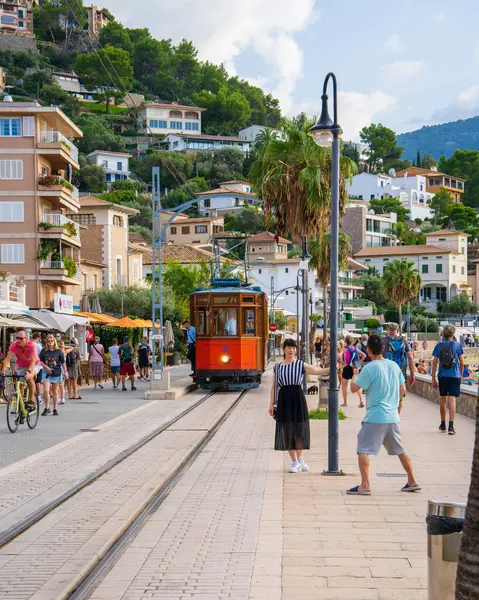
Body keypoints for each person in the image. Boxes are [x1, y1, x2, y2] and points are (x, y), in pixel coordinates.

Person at [346, 334, 421, 495]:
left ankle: (365, 485)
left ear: (368, 350)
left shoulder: (370, 368)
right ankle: (412, 480)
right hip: (392, 416)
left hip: (375, 416)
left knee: (363, 449)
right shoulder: (394, 366)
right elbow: (403, 389)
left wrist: (354, 374)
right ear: (383, 349)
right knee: (401, 450)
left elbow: (353, 389)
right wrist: (397, 404)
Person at [269, 338, 329, 473]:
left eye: (294, 348)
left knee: (299, 429)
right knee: (287, 429)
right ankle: (294, 461)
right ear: (284, 349)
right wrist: (271, 404)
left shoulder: (300, 364)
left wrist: (330, 369)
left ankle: (300, 459)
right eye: (289, 348)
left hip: (297, 397)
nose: (292, 350)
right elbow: (274, 387)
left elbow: (316, 371)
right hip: (284, 399)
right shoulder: (277, 367)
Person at [431, 324, 464, 436]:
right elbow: (462, 362)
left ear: (443, 334)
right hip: (454, 375)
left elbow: (434, 363)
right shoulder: (457, 345)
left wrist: (433, 378)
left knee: (442, 399)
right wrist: (460, 376)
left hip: (442, 375)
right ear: (453, 334)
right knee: (452, 399)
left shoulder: (438, 346)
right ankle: (451, 426)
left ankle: (442, 424)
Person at [2, 329, 41, 409]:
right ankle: (21, 404)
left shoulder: (31, 345)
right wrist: (3, 370)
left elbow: (33, 360)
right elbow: (8, 358)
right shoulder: (14, 345)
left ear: (26, 339)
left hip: (34, 364)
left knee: (29, 378)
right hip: (21, 365)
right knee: (20, 385)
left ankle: (32, 399)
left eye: (21, 338)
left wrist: (29, 371)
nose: (18, 340)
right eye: (17, 338)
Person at [39, 334, 67, 416]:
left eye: (51, 341)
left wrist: (65, 371)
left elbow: (62, 362)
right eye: (48, 341)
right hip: (46, 372)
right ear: (46, 342)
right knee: (46, 390)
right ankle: (47, 408)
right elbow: (40, 361)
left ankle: (55, 408)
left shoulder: (59, 351)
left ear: (54, 341)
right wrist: (46, 367)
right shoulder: (44, 351)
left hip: (56, 372)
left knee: (55, 390)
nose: (50, 342)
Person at [341, 334, 366, 408]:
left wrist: (342, 362)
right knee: (356, 384)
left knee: (344, 386)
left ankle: (345, 402)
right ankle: (361, 401)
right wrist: (359, 363)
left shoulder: (344, 348)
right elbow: (364, 355)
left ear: (345, 341)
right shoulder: (355, 348)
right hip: (355, 368)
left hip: (347, 367)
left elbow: (340, 356)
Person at [32, 332, 44, 404]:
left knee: (30, 381)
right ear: (38, 338)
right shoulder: (38, 345)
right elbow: (41, 354)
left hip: (30, 365)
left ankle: (31, 396)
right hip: (38, 365)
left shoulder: (29, 343)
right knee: (38, 382)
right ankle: (39, 397)